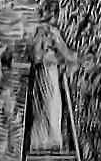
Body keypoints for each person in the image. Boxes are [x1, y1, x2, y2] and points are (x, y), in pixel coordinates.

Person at [28, 8, 72, 152]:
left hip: (47, 73)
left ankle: (45, 141)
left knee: (48, 107)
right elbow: (37, 56)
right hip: (46, 73)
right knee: (49, 106)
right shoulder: (46, 32)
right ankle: (47, 141)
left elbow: (63, 54)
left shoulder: (43, 32)